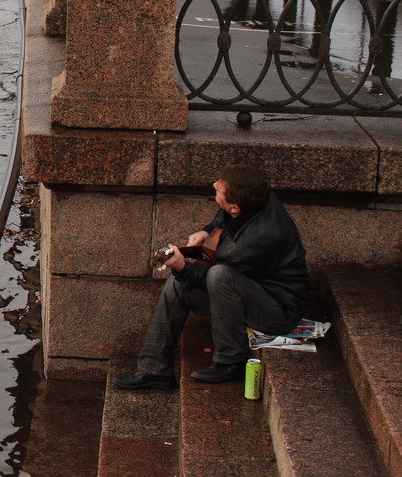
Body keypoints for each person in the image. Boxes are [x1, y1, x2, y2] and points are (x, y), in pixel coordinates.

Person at [115, 163, 310, 389]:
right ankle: (154, 370)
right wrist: (207, 231)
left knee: (218, 275)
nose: (214, 185)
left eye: (219, 189)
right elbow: (224, 215)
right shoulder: (256, 195)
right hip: (253, 290)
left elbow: (211, 280)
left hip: (279, 311)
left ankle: (232, 361)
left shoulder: (256, 240)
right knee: (177, 285)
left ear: (236, 206)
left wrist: (182, 267)